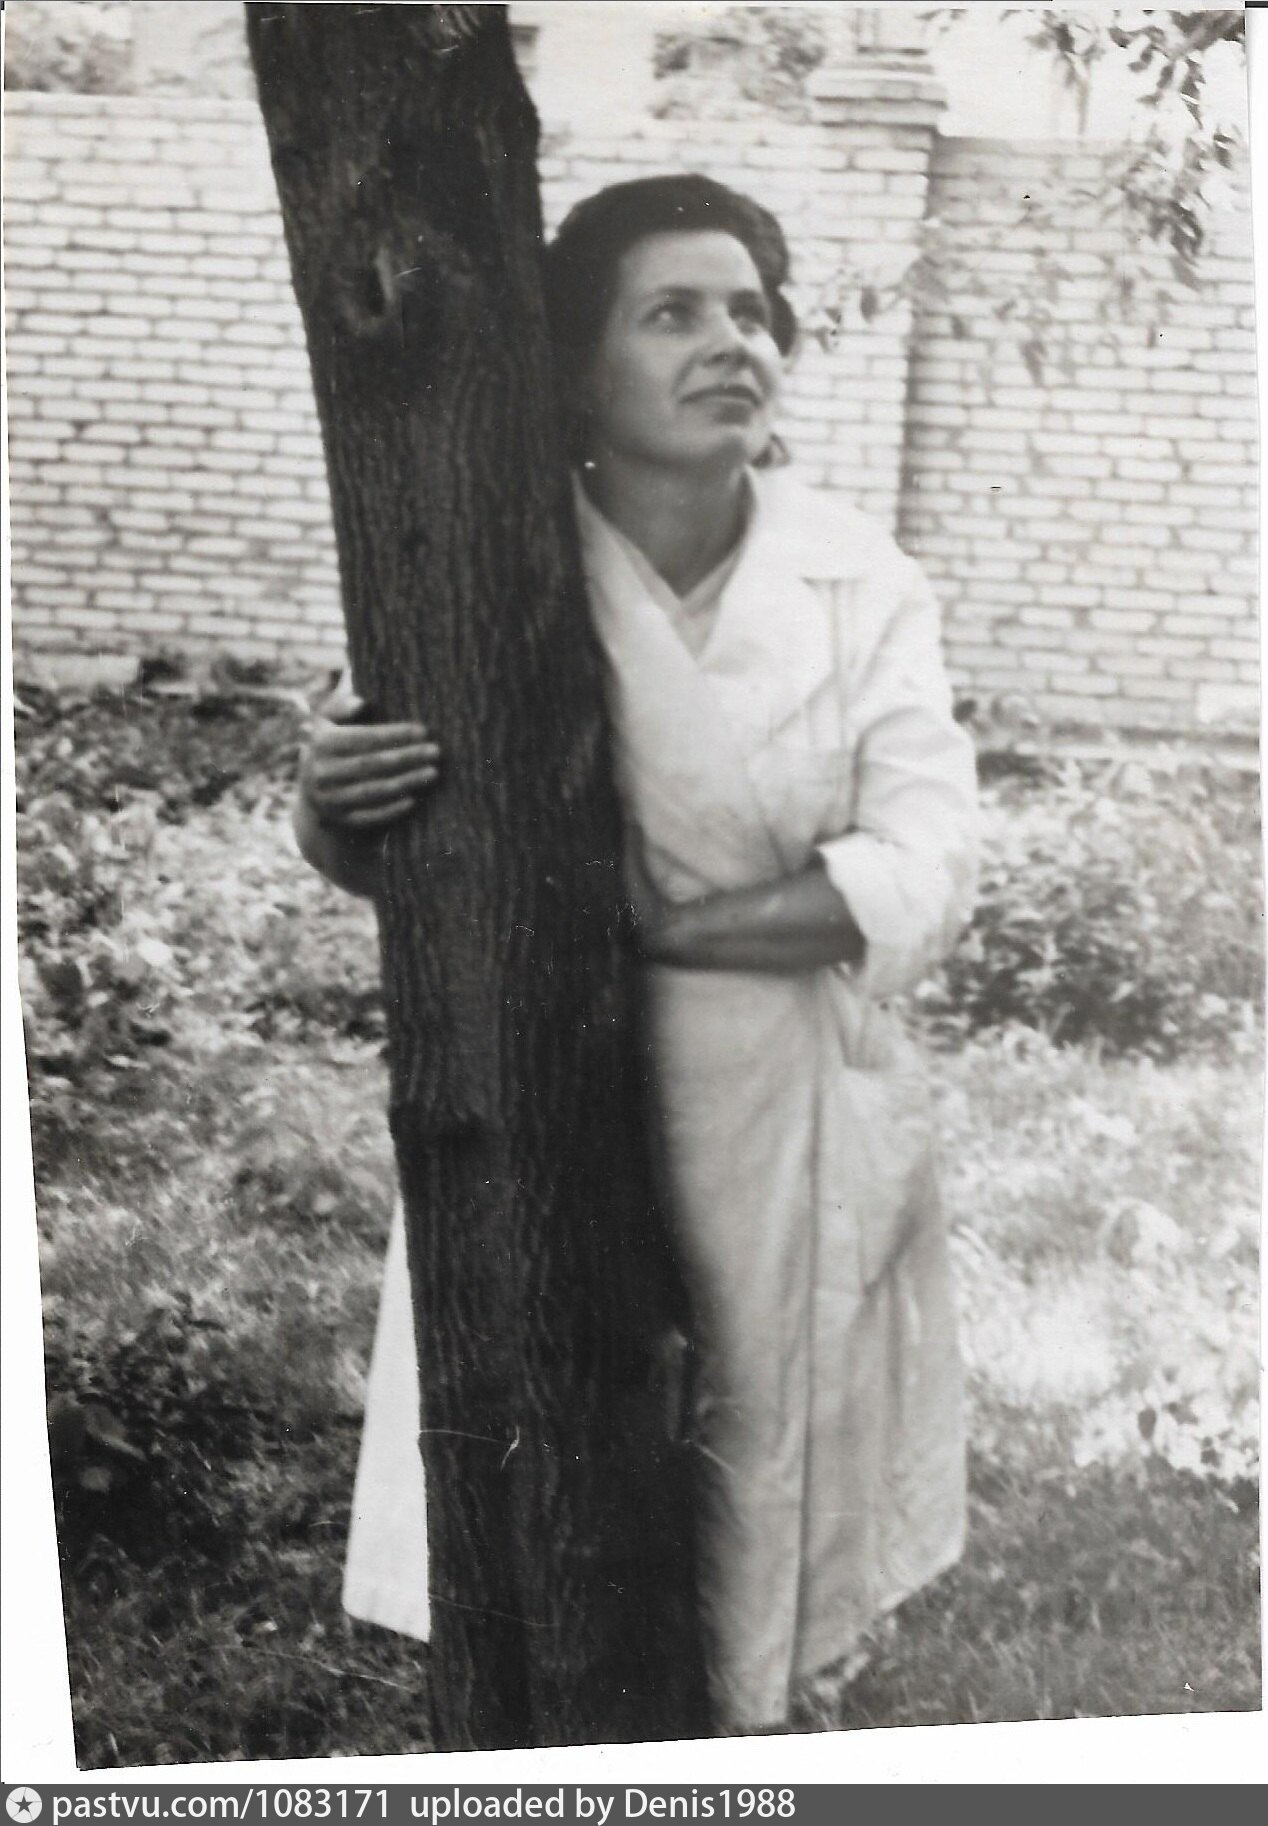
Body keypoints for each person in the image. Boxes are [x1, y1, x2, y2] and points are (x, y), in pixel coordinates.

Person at [294, 175, 980, 1734]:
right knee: (550, 1459)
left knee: (758, 1467)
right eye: (672, 312)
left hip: (781, 1109)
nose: (733, 342)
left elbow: (928, 866)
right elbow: (395, 855)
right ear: (577, 363)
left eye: (752, 311)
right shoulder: (490, 558)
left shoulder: (860, 580)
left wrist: (654, 932)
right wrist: (331, 794)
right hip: (546, 1086)